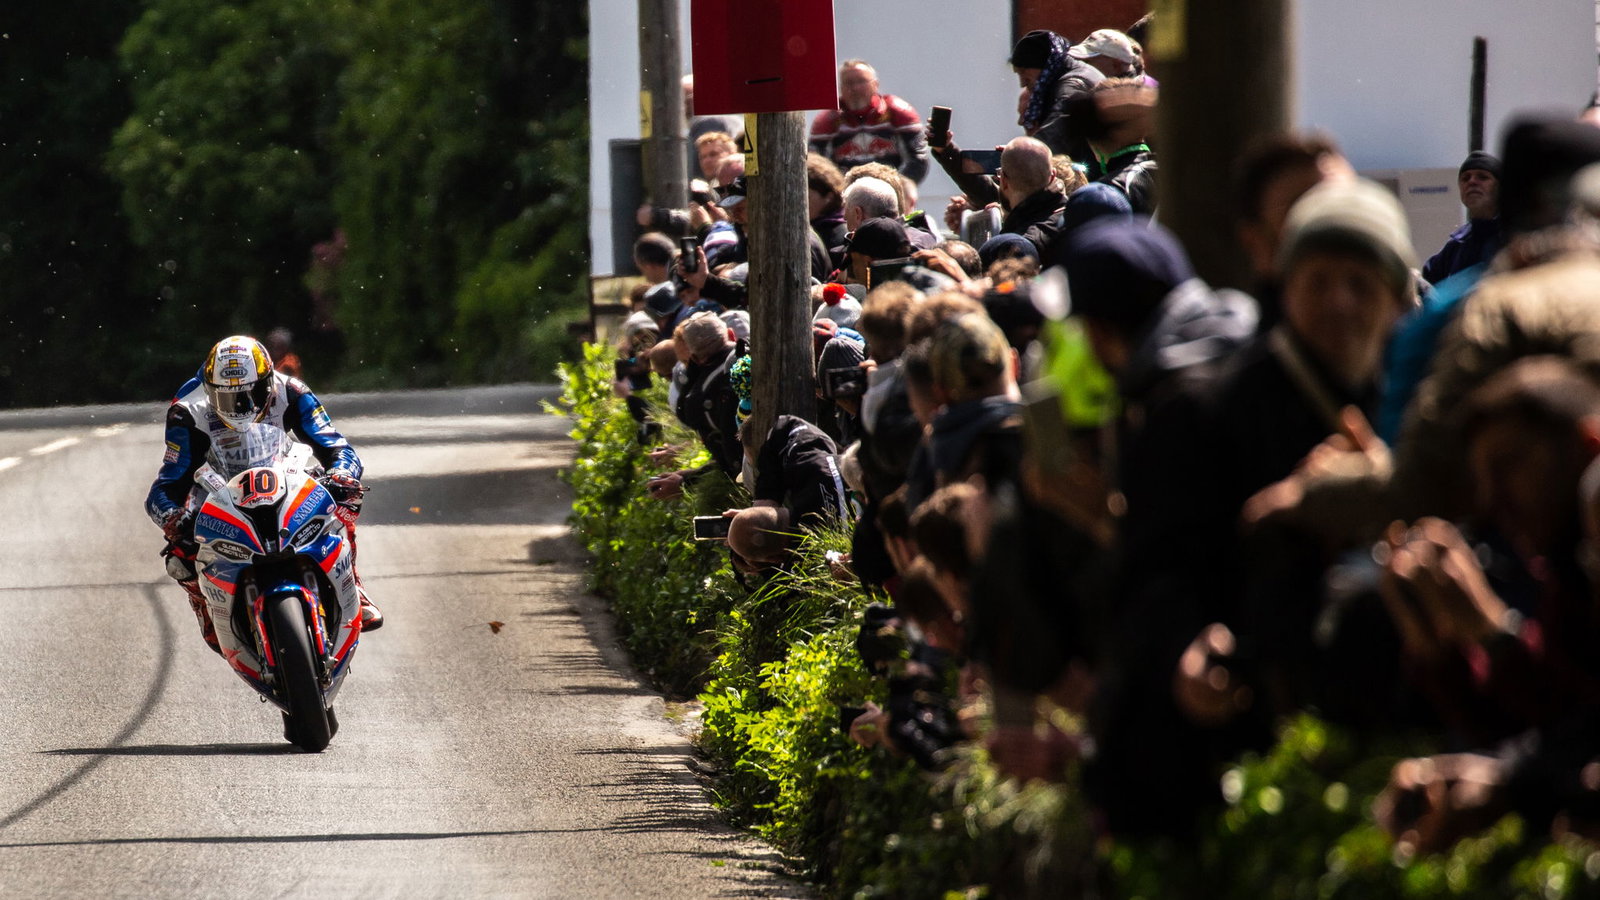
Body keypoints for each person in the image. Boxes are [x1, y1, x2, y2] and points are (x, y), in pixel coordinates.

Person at [147, 335, 383, 653]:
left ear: (268, 381)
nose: (240, 405)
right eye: (228, 398)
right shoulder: (187, 409)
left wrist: (340, 476)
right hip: (219, 492)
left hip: (284, 477)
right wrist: (176, 521)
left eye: (250, 394)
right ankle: (205, 605)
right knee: (181, 558)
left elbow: (337, 447)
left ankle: (352, 582)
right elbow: (166, 486)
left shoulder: (293, 391)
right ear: (209, 390)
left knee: (336, 504)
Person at [809, 59, 930, 184]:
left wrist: (897, 188)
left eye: (861, 81)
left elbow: (918, 160)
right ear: (840, 88)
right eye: (849, 83)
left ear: (875, 84)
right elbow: (817, 166)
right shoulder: (828, 120)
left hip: (892, 192)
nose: (855, 88)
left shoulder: (899, 112)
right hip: (846, 195)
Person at [1008, 29, 1105, 161]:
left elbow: (1059, 128)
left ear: (1044, 64)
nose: (1022, 82)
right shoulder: (1070, 75)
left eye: (1024, 71)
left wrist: (1021, 155)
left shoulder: (1073, 85)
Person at [1421, 152, 1504, 286]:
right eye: (1465, 178)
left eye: (1482, 177)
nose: (1472, 182)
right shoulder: (1457, 245)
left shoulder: (1515, 238)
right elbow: (1428, 283)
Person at [1068, 29, 1140, 79]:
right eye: (1077, 60)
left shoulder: (1135, 96)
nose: (1078, 64)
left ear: (1116, 65)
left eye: (1087, 62)